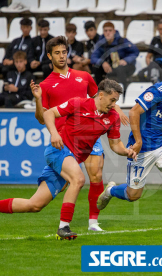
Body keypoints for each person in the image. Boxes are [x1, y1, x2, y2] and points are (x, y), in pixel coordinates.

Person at [0, 79, 136, 241]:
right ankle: (63, 227)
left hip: (70, 159)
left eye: (116, 101)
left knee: (34, 205)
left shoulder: (112, 117)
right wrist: (54, 133)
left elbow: (115, 145)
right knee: (78, 179)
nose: (114, 105)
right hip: (58, 150)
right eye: (112, 100)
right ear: (100, 95)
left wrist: (127, 151)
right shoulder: (78, 103)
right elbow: (49, 113)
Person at [97, 57, 162, 241]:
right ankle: (111, 191)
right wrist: (137, 141)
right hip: (143, 148)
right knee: (133, 195)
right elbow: (133, 112)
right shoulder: (158, 91)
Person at [37, 36, 130, 232]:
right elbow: (41, 116)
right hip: (65, 136)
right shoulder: (45, 85)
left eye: (64, 52)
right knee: (67, 183)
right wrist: (38, 101)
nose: (62, 56)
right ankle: (60, 219)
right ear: (49, 56)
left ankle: (92, 223)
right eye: (57, 53)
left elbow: (103, 96)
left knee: (95, 175)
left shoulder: (84, 76)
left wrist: (118, 110)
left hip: (89, 133)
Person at [91, 22, 139, 88]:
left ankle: (123, 91)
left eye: (110, 30)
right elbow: (93, 57)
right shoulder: (101, 43)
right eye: (105, 31)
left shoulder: (122, 41)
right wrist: (102, 62)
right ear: (103, 32)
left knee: (119, 69)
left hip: (126, 66)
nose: (108, 33)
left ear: (114, 31)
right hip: (110, 66)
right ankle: (100, 90)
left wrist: (126, 60)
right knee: (96, 67)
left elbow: (135, 51)